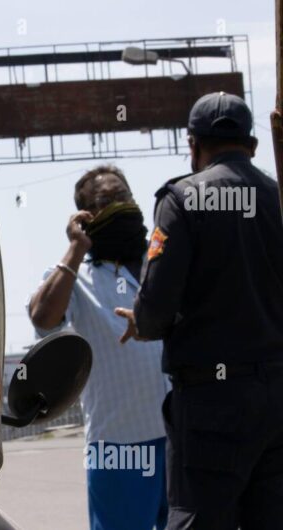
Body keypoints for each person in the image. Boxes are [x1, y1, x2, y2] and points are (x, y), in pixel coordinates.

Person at [115, 92, 283, 529]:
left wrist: (142, 322)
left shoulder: (183, 199)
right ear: (253, 146)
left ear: (192, 144)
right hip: (277, 399)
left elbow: (155, 308)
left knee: (198, 519)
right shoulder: (277, 198)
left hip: (212, 405)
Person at [27, 165, 169, 530]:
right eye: (107, 200)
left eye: (124, 196)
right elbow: (43, 318)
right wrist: (76, 249)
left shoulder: (161, 261)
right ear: (85, 216)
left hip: (181, 436)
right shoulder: (76, 275)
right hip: (119, 446)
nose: (121, 204)